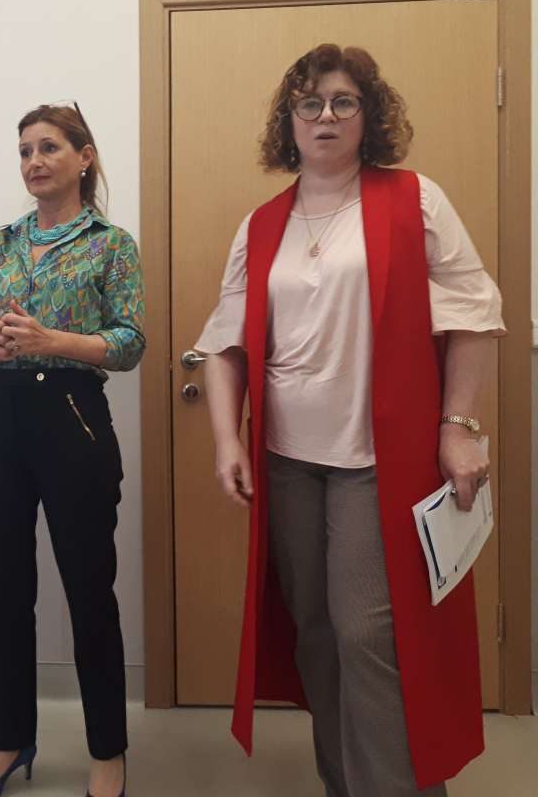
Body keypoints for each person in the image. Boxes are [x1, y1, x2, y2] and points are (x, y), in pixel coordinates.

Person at [196, 43, 504, 796]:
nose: (325, 116)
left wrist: (458, 426)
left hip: (377, 460)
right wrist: (228, 439)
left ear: (369, 115)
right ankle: (345, 783)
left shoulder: (414, 200)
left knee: (369, 633)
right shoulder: (262, 225)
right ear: (289, 121)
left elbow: (475, 313)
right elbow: (222, 344)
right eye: (309, 103)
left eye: (343, 101)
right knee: (316, 633)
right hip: (288, 461)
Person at [0, 102, 145, 797]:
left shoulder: (111, 244)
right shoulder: (1, 243)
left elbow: (130, 342)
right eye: (26, 151)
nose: (34, 161)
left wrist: (50, 341)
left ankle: (108, 752)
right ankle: (10, 740)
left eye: (49, 147)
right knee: (4, 589)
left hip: (72, 419)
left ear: (84, 158)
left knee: (89, 590)